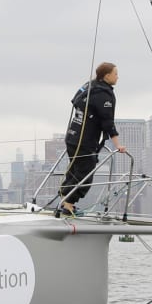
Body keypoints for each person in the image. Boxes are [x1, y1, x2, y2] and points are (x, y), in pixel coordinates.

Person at [57, 62, 125, 216]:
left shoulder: (89, 86)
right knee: (85, 176)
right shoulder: (104, 94)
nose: (118, 77)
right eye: (115, 73)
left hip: (72, 137)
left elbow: (75, 102)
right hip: (85, 141)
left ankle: (66, 202)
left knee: (74, 171)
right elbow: (108, 123)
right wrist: (118, 145)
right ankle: (68, 204)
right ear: (107, 76)